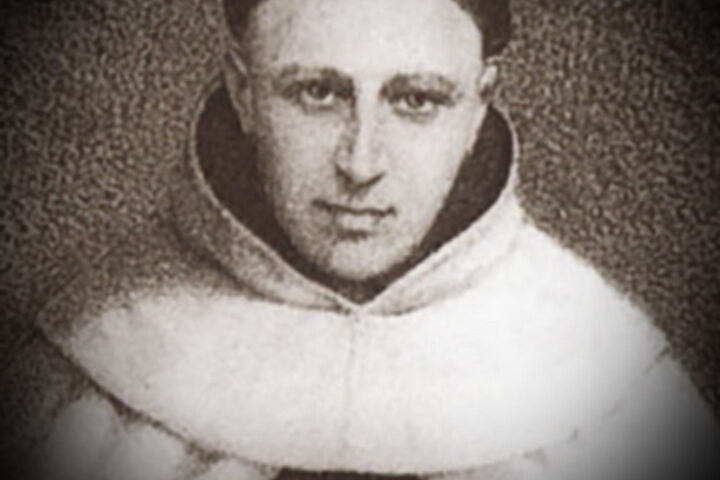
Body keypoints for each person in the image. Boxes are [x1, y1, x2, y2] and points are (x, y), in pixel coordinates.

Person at [11, 0, 719, 478]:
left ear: (479, 107)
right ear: (243, 91)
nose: (360, 162)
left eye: (416, 100)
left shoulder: (612, 390)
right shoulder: (83, 374)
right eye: (319, 92)